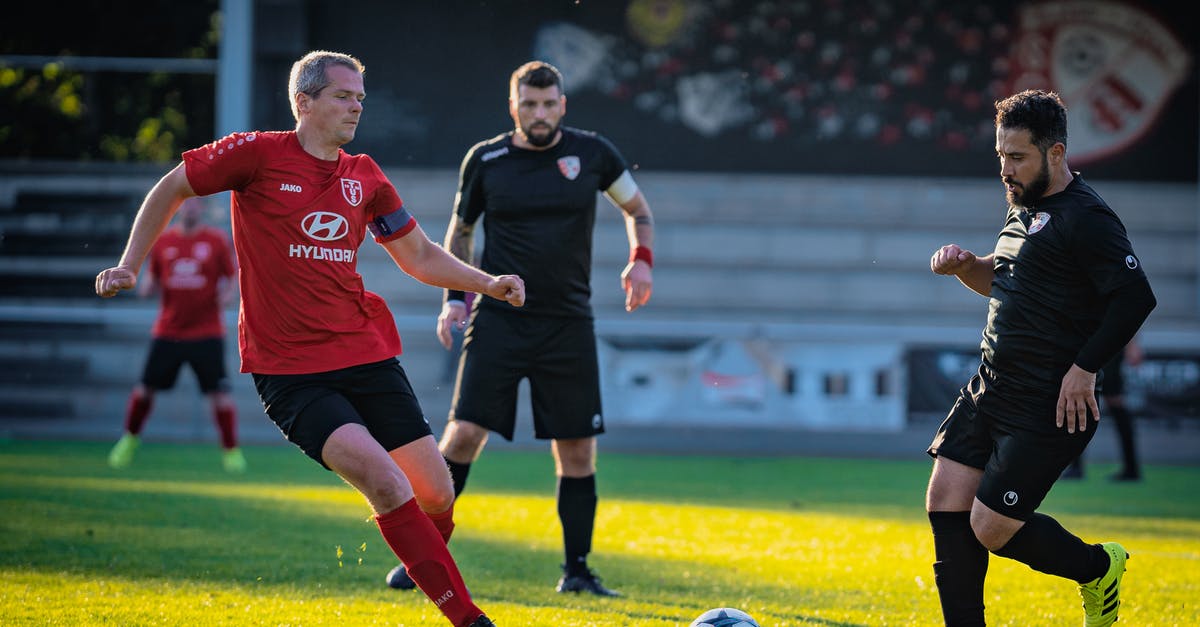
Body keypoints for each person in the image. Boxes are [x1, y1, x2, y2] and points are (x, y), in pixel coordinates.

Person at [95, 50, 521, 627]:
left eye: (361, 99)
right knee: (387, 482)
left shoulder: (365, 175)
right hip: (291, 371)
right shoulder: (256, 154)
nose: (356, 108)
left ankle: (417, 565)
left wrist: (486, 283)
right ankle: (469, 619)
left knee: (438, 493)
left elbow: (417, 255)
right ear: (305, 102)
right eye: (344, 96)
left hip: (366, 353)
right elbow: (171, 188)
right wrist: (129, 264)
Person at [384, 60, 655, 597]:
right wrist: (456, 298)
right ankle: (424, 558)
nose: (539, 113)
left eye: (549, 103)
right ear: (513, 107)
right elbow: (459, 233)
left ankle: (577, 572)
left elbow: (637, 208)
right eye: (529, 104)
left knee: (577, 448)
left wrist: (641, 258)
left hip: (568, 323)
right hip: (500, 319)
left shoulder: (594, 154)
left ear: (562, 105)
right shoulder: (486, 160)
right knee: (462, 435)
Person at [924, 89, 1156, 627]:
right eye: (1001, 155)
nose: (1005, 168)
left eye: (1017, 157)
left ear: (1055, 153)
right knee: (945, 500)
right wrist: (965, 267)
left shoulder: (1088, 217)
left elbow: (1135, 297)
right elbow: (1005, 280)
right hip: (991, 385)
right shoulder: (1022, 205)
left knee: (991, 527)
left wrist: (1085, 368)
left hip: (1048, 403)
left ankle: (1099, 568)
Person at [107, 197, 245, 473]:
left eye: (196, 205)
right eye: (187, 204)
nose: (191, 209)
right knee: (145, 390)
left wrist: (228, 293)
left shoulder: (216, 240)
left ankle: (231, 452)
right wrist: (146, 287)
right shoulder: (164, 241)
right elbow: (152, 279)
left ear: (202, 210)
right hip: (169, 331)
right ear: (179, 208)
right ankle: (129, 440)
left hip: (207, 332)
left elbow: (232, 276)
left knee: (220, 394)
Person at [1060, 338, 1145, 482]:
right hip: (1087, 340)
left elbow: (1124, 315)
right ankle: (1076, 466)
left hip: (1108, 342)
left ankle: (1131, 468)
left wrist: (1132, 344)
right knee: (1079, 399)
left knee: (1114, 400)